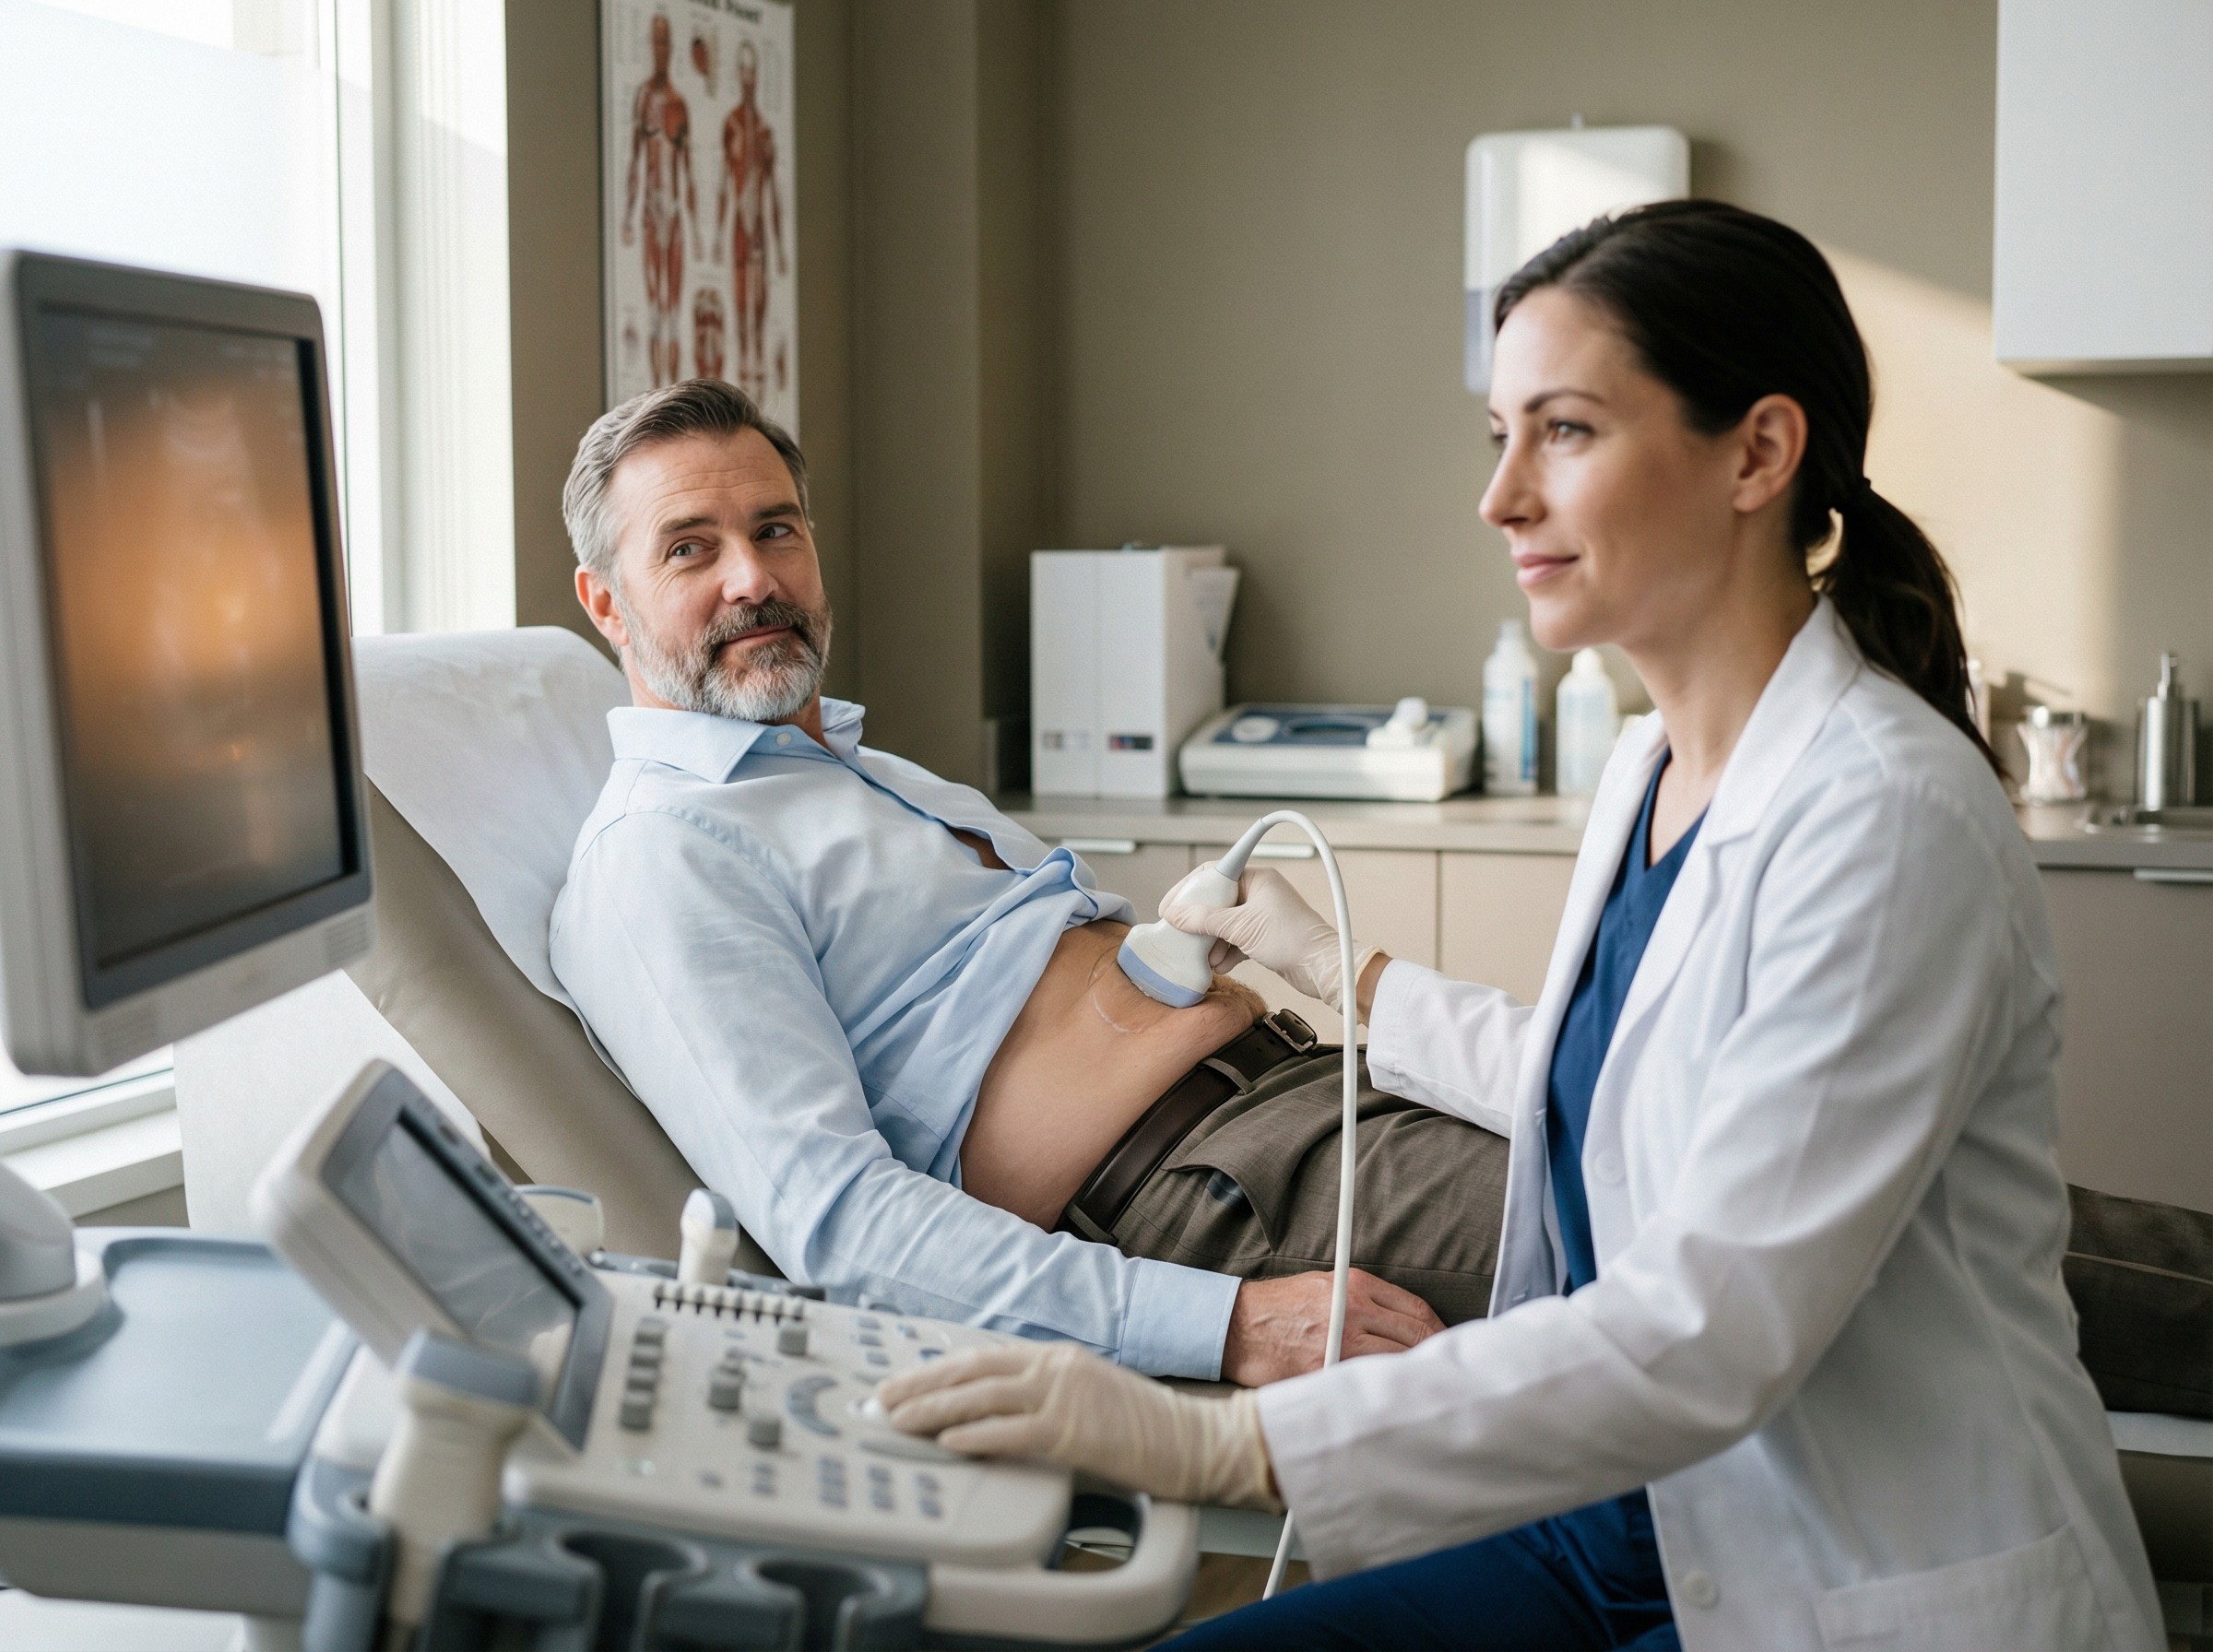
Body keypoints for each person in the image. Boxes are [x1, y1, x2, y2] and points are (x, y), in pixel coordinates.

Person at [877, 202, 2164, 1651]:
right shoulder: (1653, 769)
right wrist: (1348, 980)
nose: (1499, 499)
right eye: (1500, 434)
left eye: (1562, 432)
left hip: (1838, 1571)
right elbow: (1619, 1090)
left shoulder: (1885, 818)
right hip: (1628, 1523)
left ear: (1759, 451)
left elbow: (1710, 1328)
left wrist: (1219, 1448)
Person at [549, 378, 1513, 1389]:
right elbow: (837, 1222)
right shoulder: (663, 854)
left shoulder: (875, 777)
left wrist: (1237, 962)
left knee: (1638, 1144)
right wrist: (1225, 1323)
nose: (753, 577)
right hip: (1221, 1198)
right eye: (690, 547)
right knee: (1646, 1223)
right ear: (605, 601)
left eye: (776, 528)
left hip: (1311, 1091)